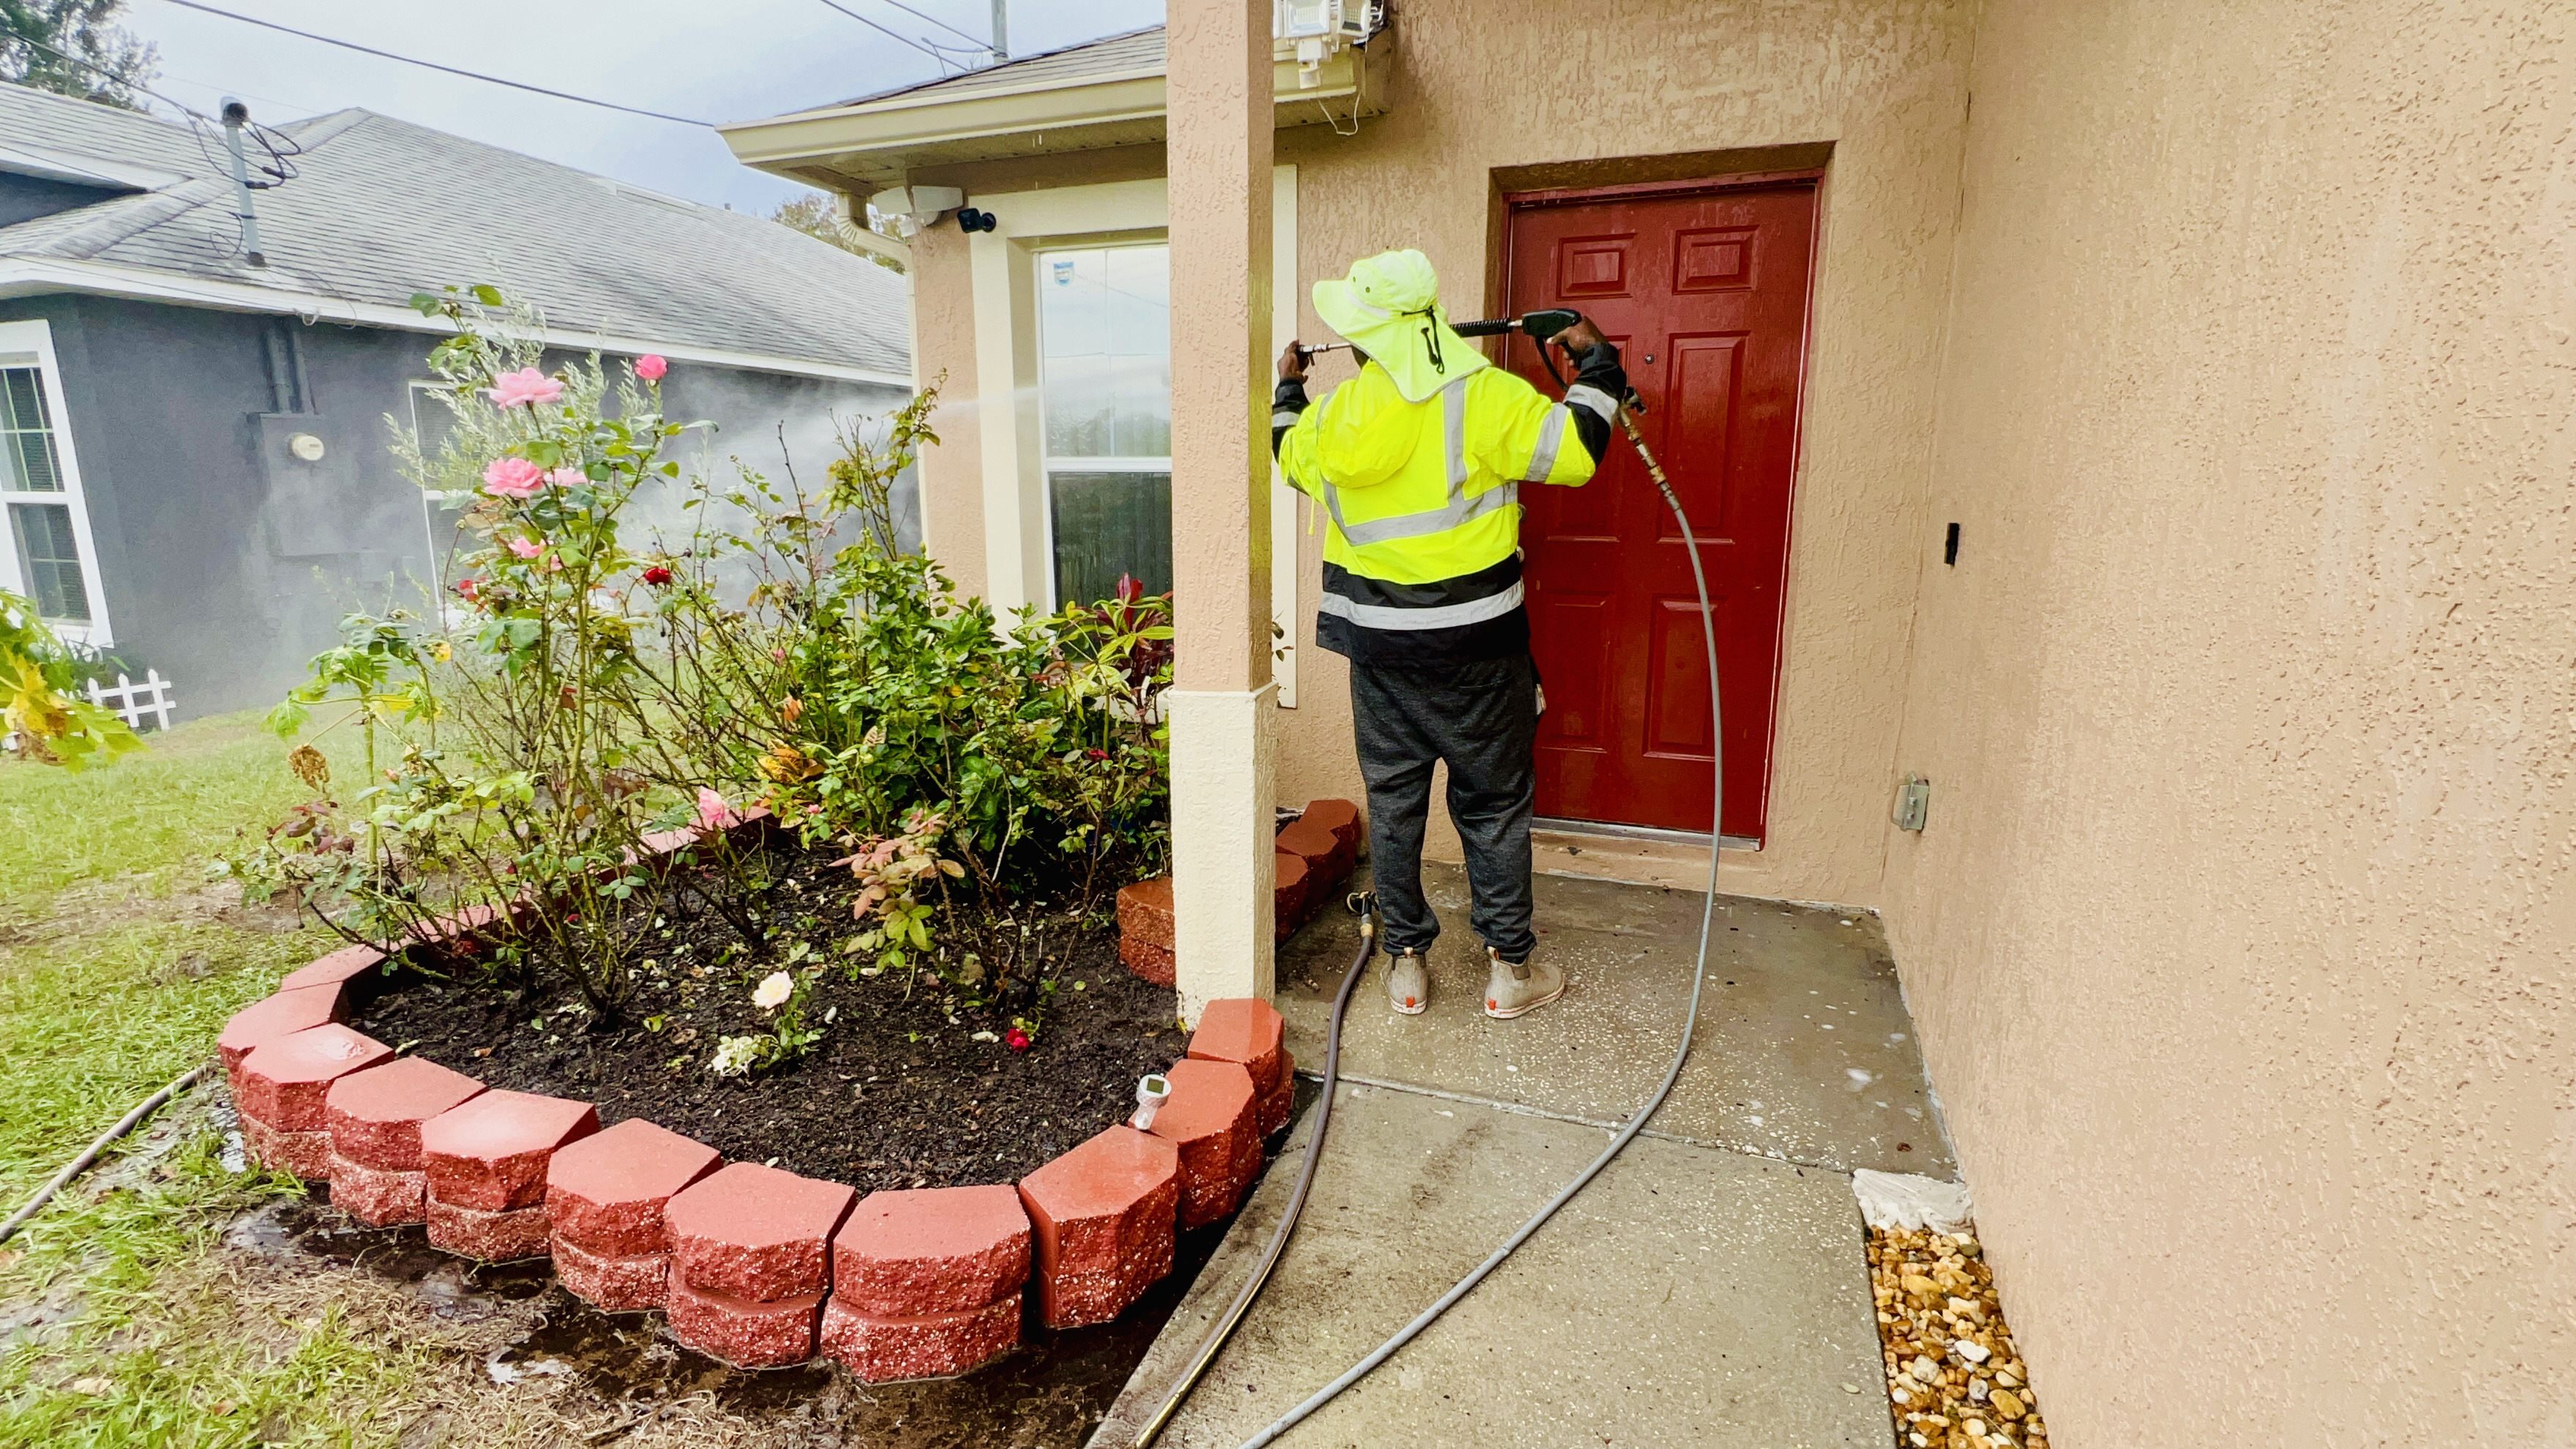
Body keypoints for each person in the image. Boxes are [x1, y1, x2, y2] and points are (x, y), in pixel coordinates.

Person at [1271, 248, 1627, 1021]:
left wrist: (1288, 387)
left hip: (1380, 658)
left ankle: (1406, 966)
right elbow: (1577, 452)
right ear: (1427, 322)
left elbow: (1286, 449)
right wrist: (1599, 364)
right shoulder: (1483, 396)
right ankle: (1509, 973)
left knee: (1395, 808)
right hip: (1478, 657)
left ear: (1362, 339)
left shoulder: (1330, 418)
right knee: (1493, 807)